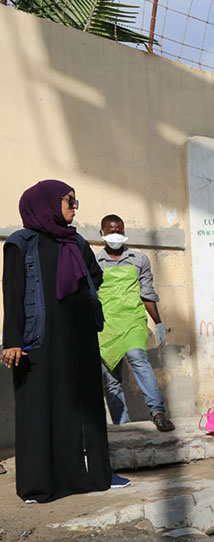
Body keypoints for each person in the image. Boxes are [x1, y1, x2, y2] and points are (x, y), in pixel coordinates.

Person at [2, 180, 129, 503]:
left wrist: (85, 304)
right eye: (68, 201)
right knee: (41, 408)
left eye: (75, 201)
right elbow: (13, 294)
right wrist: (13, 340)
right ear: (45, 203)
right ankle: (40, 485)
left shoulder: (75, 242)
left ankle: (95, 474)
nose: (74, 207)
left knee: (86, 406)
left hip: (79, 337)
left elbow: (94, 277)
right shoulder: (21, 244)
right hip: (39, 339)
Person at [96, 215, 174, 431]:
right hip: (106, 325)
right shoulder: (94, 262)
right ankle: (123, 426)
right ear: (101, 233)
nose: (115, 235)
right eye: (111, 231)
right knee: (111, 378)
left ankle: (158, 411)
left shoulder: (139, 259)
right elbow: (91, 297)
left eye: (119, 230)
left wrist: (158, 323)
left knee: (137, 356)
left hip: (133, 319)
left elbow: (147, 293)